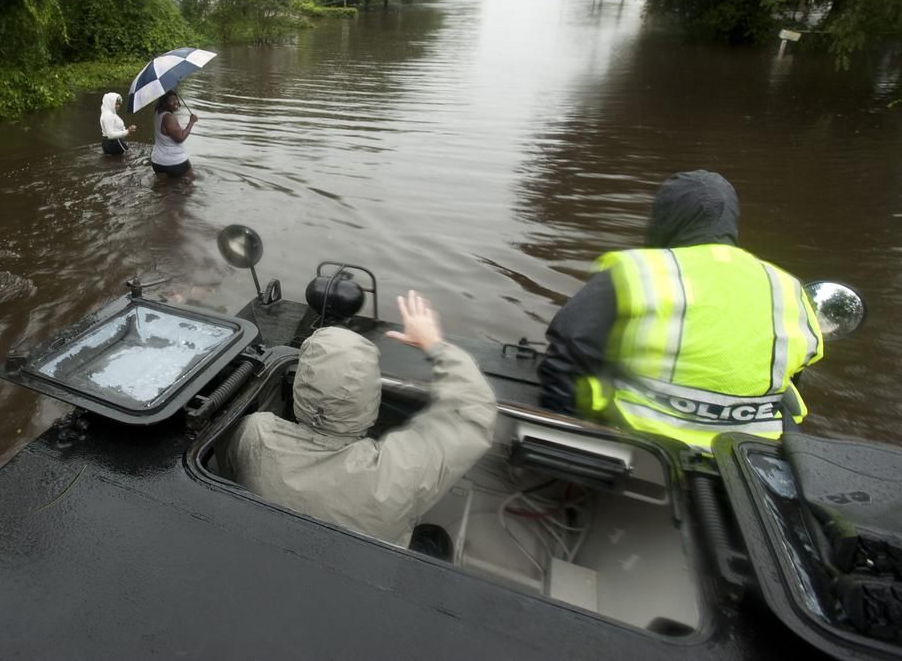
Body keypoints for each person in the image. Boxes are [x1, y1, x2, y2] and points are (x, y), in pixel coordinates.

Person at [538, 170, 823, 453]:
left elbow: (569, 345)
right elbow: (799, 364)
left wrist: (563, 434)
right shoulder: (787, 285)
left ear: (666, 216)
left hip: (644, 447)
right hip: (748, 457)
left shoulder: (639, 270)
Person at [226, 291, 498, 548]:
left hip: (275, 548)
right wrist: (434, 345)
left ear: (300, 384)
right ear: (371, 393)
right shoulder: (402, 470)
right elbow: (475, 407)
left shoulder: (253, 433)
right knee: (434, 538)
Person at [150, 90, 197, 177]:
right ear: (164, 103)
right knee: (190, 185)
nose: (176, 102)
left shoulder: (157, 112)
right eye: (171, 100)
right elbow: (180, 138)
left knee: (163, 187)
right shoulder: (169, 117)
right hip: (175, 161)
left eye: (176, 99)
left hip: (157, 161)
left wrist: (175, 105)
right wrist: (191, 122)